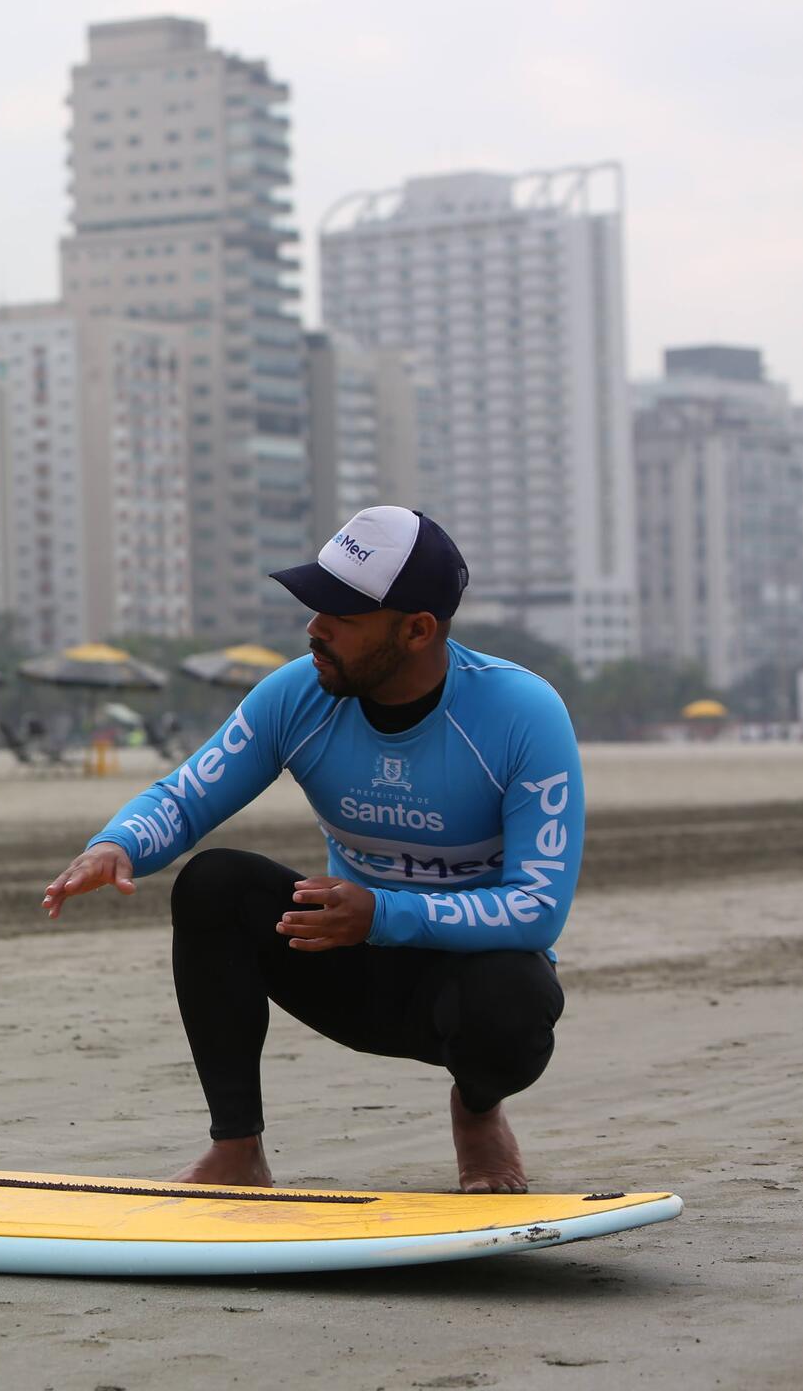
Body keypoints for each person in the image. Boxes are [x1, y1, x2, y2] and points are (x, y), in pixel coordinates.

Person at [41, 507, 581, 1193]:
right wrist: (117, 843)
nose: (314, 628)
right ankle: (237, 1148)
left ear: (416, 630)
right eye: (315, 605)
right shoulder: (297, 693)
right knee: (215, 883)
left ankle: (477, 1111)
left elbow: (537, 908)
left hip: (467, 987)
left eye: (341, 615)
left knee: (513, 998)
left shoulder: (521, 713)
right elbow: (183, 796)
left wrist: (381, 912)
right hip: (348, 967)